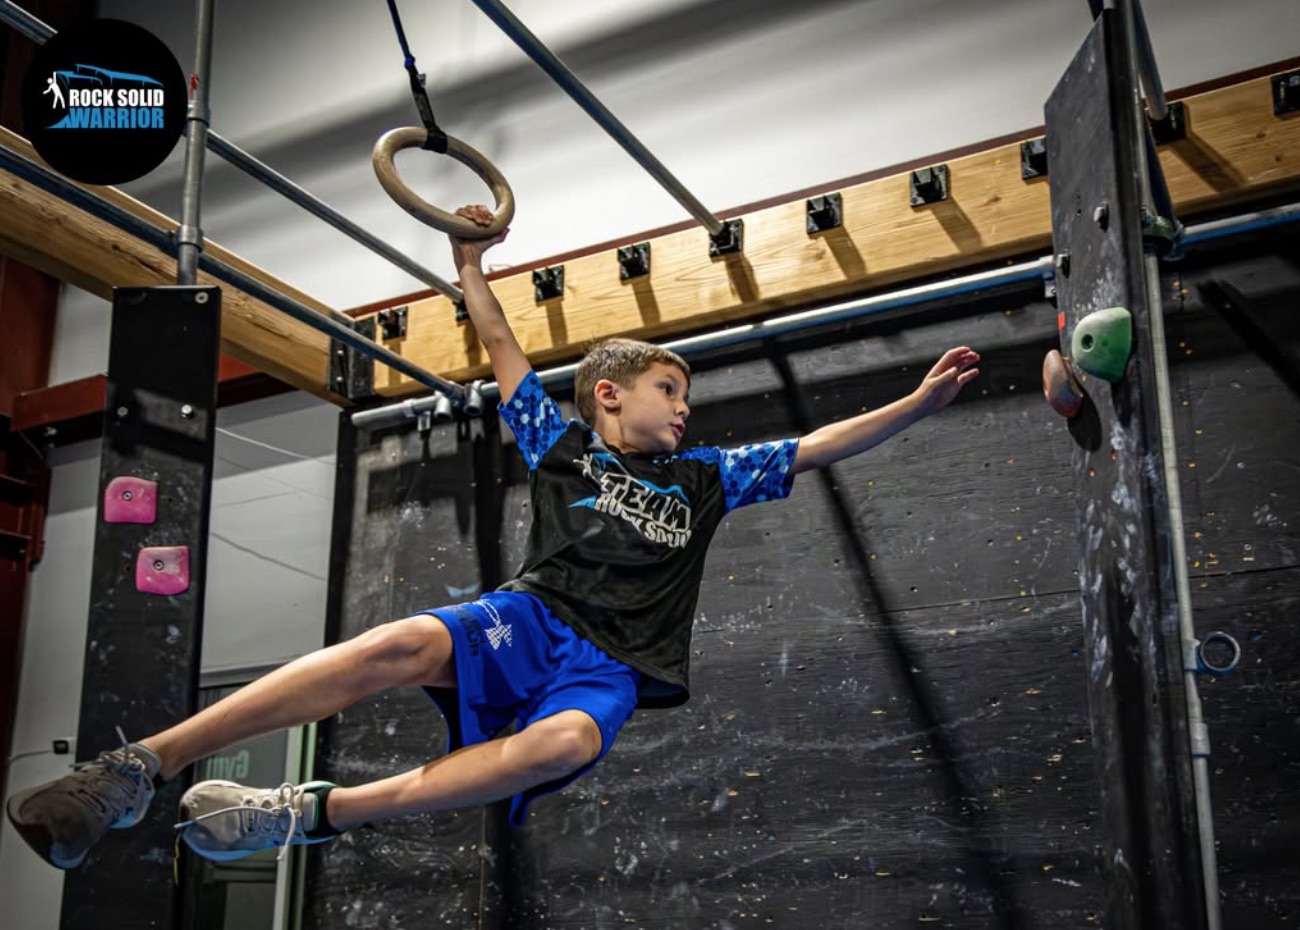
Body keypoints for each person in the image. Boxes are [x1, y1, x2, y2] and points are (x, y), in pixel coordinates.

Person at [5, 205, 980, 869]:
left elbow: (816, 445)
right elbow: (504, 347)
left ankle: (304, 814)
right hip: (531, 617)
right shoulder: (557, 445)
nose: (684, 409)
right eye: (669, 390)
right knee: (400, 644)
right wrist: (470, 263)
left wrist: (918, 401)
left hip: (605, 665)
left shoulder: (705, 478)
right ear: (609, 394)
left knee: (556, 743)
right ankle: (137, 770)